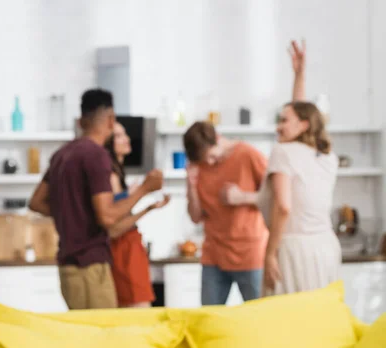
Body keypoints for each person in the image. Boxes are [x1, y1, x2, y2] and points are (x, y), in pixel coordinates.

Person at [222, 41, 341, 295]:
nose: (278, 126)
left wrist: (270, 253)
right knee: (321, 319)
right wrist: (299, 76)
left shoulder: (283, 152)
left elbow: (284, 206)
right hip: (326, 248)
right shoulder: (325, 155)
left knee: (288, 323)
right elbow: (302, 114)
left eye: (283, 121)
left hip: (292, 250)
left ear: (304, 125)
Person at [29, 88, 162, 310]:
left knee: (85, 335)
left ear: (81, 120)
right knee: (102, 337)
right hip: (89, 265)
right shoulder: (96, 155)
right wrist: (145, 189)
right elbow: (107, 217)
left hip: (68, 265)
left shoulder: (61, 154)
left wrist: (73, 211)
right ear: (111, 120)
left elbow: (37, 202)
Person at [183, 121, 268, 305]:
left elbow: (276, 195)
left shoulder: (247, 154)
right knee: (209, 319)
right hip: (214, 255)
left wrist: (243, 197)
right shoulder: (200, 164)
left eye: (212, 157)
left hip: (249, 254)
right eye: (205, 161)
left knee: (260, 318)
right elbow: (195, 217)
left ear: (218, 139)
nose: (210, 163)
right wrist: (191, 186)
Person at [105, 121, 170, 307]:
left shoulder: (118, 174)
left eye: (124, 134)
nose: (126, 139)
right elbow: (115, 226)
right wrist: (142, 195)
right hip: (124, 253)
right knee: (137, 310)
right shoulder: (111, 176)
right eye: (118, 136)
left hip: (129, 250)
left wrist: (149, 206)